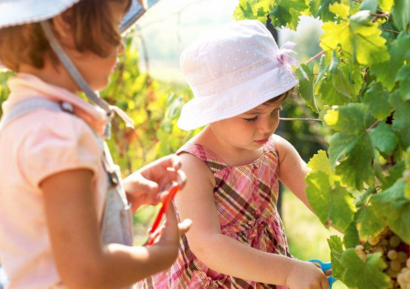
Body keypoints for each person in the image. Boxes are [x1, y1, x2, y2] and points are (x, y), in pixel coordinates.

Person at [0, 0, 191, 288]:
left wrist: (120, 193)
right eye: (115, 27)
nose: (122, 46)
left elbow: (48, 231)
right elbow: (85, 272)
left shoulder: (25, 121)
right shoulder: (60, 132)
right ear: (65, 22)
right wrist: (160, 255)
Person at [138, 20, 330, 289]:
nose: (267, 126)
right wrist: (288, 272)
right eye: (251, 118)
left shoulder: (277, 151)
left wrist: (366, 230)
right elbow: (208, 245)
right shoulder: (193, 167)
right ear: (213, 111)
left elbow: (324, 199)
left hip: (263, 274)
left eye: (275, 111)